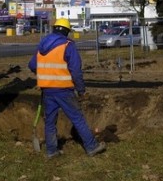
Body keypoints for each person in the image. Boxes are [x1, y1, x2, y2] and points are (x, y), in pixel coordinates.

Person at [28, 18, 106, 158]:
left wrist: (45, 75)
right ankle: (91, 146)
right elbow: (75, 70)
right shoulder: (67, 45)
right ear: (66, 31)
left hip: (47, 90)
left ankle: (52, 151)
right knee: (77, 118)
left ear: (54, 28)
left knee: (50, 122)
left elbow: (33, 65)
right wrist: (81, 89)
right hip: (64, 90)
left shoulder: (42, 45)